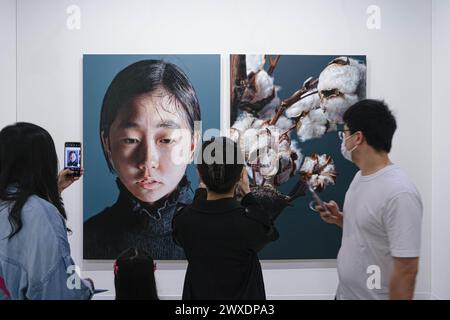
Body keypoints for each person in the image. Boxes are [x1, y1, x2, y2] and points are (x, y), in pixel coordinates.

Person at [84, 59, 201, 260]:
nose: (147, 160)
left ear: (193, 144)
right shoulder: (87, 239)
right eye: (131, 139)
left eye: (166, 139)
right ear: (107, 144)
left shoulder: (220, 235)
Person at [316, 99, 423, 300]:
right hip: (344, 295)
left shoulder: (400, 193)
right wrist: (340, 219)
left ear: (358, 138)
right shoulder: (360, 177)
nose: (342, 140)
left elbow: (407, 270)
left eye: (344, 133)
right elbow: (372, 231)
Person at [172, 137, 281, 300]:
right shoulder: (249, 223)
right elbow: (269, 230)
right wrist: (248, 195)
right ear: (241, 175)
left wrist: (201, 191)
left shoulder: (184, 220)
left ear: (199, 174)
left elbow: (185, 226)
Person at [0, 122, 93, 300]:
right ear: (44, 164)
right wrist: (86, 288)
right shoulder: (40, 214)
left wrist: (53, 191)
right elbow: (58, 291)